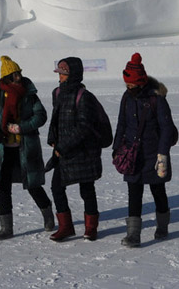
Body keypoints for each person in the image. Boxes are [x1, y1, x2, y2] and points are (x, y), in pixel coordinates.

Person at [0, 56, 54, 240]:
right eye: (15, 73)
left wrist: (22, 127)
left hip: (26, 148)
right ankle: (6, 228)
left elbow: (41, 116)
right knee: (3, 187)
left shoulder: (29, 94)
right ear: (7, 76)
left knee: (33, 184)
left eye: (19, 72)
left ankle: (47, 213)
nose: (19, 76)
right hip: (4, 149)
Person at [113, 53, 174, 247]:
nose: (128, 88)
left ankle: (162, 226)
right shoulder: (126, 97)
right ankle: (133, 234)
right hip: (133, 155)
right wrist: (117, 148)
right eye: (126, 85)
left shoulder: (156, 100)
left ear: (140, 82)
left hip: (154, 155)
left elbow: (167, 128)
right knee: (134, 192)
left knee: (158, 191)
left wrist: (162, 155)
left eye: (131, 85)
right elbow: (121, 124)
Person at [46, 56, 104, 241]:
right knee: (56, 187)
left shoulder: (84, 96)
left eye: (63, 74)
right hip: (63, 152)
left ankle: (91, 228)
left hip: (83, 152)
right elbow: (55, 120)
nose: (60, 77)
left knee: (86, 189)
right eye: (60, 73)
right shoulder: (57, 93)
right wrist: (53, 139)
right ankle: (66, 227)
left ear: (73, 75)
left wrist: (63, 146)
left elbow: (84, 127)